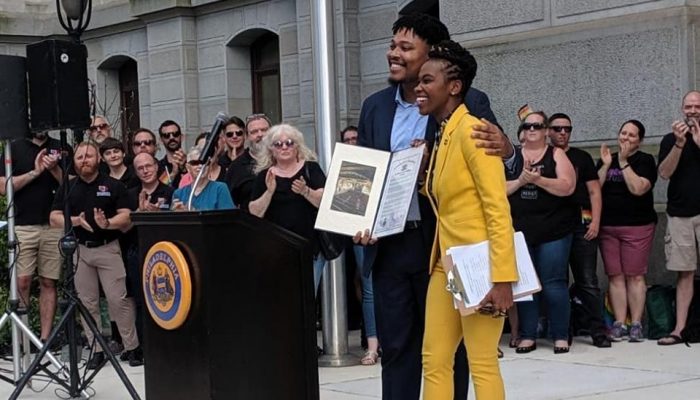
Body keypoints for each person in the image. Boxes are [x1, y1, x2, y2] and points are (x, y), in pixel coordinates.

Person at [355, 13, 513, 400]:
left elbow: (495, 191)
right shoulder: (375, 106)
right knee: (406, 352)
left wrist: (509, 149)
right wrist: (359, 218)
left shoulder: (469, 112)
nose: (394, 53)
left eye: (405, 47)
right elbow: (362, 176)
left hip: (454, 251)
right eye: (392, 45)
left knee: (467, 358)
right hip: (397, 248)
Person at [416, 40, 517, 400]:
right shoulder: (444, 134)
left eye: (428, 80)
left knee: (482, 362)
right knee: (435, 360)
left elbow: (497, 208)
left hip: (480, 267)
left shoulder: (475, 133)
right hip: (447, 264)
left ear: (454, 86)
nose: (419, 87)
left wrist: (503, 278)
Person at [49, 141, 142, 369]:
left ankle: (132, 348)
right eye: (80, 157)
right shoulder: (68, 188)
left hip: (108, 247)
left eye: (89, 156)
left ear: (98, 159)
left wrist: (108, 223)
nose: (84, 160)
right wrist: (76, 221)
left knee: (117, 299)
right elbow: (53, 218)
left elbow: (127, 216)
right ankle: (97, 350)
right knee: (87, 302)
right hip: (81, 250)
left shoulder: (113, 185)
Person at [506, 110, 576, 354]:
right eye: (527, 125)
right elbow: (496, 189)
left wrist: (538, 181)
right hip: (520, 232)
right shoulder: (512, 156)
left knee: (553, 283)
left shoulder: (556, 154)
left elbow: (568, 186)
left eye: (537, 125)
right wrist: (521, 181)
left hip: (553, 230)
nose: (532, 129)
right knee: (525, 285)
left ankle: (560, 335)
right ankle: (528, 335)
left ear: (547, 131)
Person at [548, 113, 611, 348]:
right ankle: (563, 332)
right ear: (548, 131)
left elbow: (595, 191)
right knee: (557, 281)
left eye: (567, 129)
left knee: (588, 281)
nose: (563, 133)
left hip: (582, 224)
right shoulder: (544, 156)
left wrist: (595, 222)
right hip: (553, 228)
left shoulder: (581, 157)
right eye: (557, 128)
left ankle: (599, 331)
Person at [0, 131, 66, 343]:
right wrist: (35, 172)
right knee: (22, 282)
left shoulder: (60, 146)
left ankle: (45, 339)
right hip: (23, 225)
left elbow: (72, 185)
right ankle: (23, 341)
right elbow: (3, 187)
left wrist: (54, 168)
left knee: (49, 281)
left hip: (53, 224)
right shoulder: (15, 147)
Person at [597, 120, 657, 342]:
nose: (626, 138)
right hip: (608, 226)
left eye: (632, 135)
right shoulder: (607, 158)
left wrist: (622, 162)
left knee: (635, 276)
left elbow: (638, 188)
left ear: (640, 140)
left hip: (637, 226)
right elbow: (595, 189)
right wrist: (604, 165)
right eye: (623, 133)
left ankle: (637, 324)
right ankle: (619, 322)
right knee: (615, 276)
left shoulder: (646, 160)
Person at [249, 124, 325, 289]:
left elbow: (325, 203)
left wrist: (305, 191)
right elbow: (254, 213)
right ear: (271, 150)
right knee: (281, 302)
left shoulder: (311, 169)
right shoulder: (265, 175)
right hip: (275, 252)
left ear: (297, 146)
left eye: (289, 142)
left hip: (308, 249)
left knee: (307, 300)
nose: (284, 147)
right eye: (278, 144)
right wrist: (269, 192)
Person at [657, 91, 700, 345]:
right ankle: (679, 329)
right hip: (680, 214)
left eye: (697, 106)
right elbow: (664, 173)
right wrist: (679, 144)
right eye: (688, 106)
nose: (692, 110)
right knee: (684, 273)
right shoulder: (670, 139)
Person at [340, 125, 379, 365]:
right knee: (369, 288)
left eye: (356, 138)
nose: (352, 142)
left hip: (385, 230)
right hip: (359, 232)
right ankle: (373, 346)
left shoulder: (376, 161)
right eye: (348, 140)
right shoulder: (342, 169)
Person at [225, 113, 273, 211]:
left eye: (264, 130)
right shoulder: (236, 167)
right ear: (247, 136)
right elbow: (228, 204)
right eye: (254, 132)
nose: (260, 134)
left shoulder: (285, 160)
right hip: (252, 224)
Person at [172, 146, 235, 211]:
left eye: (204, 162)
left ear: (210, 165)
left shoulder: (220, 189)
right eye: (195, 163)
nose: (200, 166)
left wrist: (192, 213)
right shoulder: (179, 193)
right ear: (188, 167)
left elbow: (228, 218)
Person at [157, 120, 187, 187]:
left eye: (175, 134)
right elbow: (160, 188)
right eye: (166, 135)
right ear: (161, 140)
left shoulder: (192, 162)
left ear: (182, 137)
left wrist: (184, 169)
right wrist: (173, 173)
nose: (171, 137)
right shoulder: (159, 166)